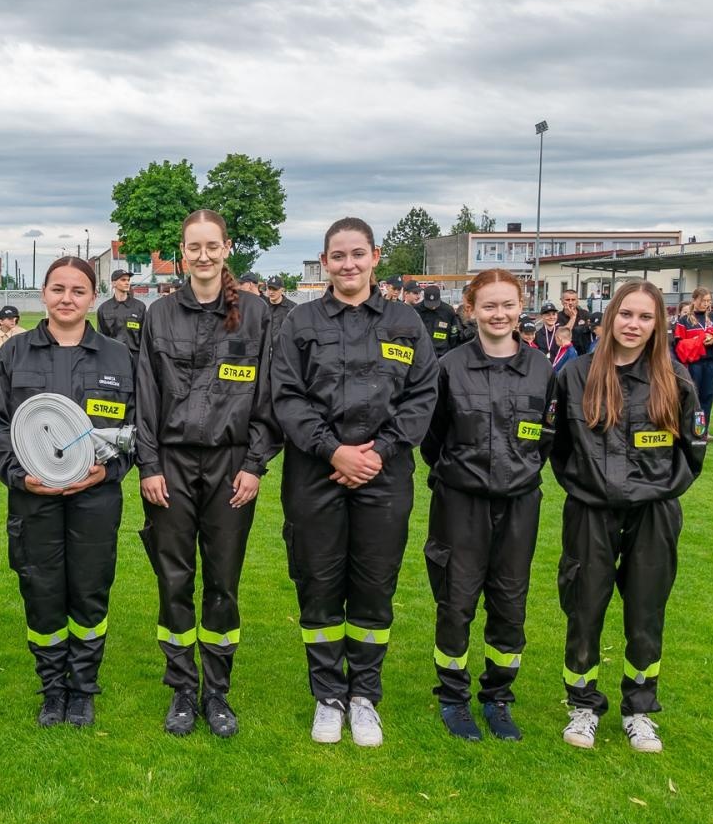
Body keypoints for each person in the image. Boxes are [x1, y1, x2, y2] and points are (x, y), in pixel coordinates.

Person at [272, 218, 439, 747]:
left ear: (375, 257)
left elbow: (421, 398)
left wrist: (378, 453)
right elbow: (287, 396)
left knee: (373, 584)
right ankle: (328, 695)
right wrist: (333, 450)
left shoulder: (406, 323)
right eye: (338, 256)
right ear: (325, 261)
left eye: (357, 254)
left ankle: (364, 694)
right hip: (314, 471)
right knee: (318, 582)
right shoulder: (299, 323)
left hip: (383, 476)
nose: (348, 264)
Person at [136, 210, 278, 739]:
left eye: (211, 246)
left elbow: (269, 395)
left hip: (230, 467)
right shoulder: (159, 314)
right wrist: (148, 465)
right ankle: (180, 690)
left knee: (223, 582)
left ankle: (217, 693)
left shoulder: (258, 315)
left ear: (227, 248)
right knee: (174, 581)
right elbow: (145, 395)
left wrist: (254, 464)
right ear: (181, 251)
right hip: (169, 467)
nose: (202, 255)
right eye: (193, 247)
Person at [550, 280, 706, 753]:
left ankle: (640, 710)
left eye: (644, 317)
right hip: (591, 512)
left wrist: (649, 491)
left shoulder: (674, 378)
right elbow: (557, 449)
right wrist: (590, 487)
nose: (633, 325)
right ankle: (582, 705)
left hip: (654, 514)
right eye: (625, 314)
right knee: (585, 607)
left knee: (645, 612)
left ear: (657, 324)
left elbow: (692, 451)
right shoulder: (574, 376)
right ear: (609, 317)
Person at [0, 257, 134, 728]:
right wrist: (17, 476)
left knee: (89, 592)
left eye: (79, 290)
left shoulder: (118, 355)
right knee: (42, 591)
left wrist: (107, 475)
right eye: (59, 289)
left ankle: (83, 690)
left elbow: (135, 430)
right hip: (34, 498)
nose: (68, 298)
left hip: (95, 498)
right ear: (44, 293)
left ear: (93, 297)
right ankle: (52, 689)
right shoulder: (14, 354)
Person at [420, 268, 553, 742]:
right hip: (460, 503)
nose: (499, 314)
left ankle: (498, 697)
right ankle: (453, 697)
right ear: (470, 310)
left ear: (521, 307)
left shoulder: (541, 368)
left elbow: (547, 436)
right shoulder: (449, 367)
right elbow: (432, 440)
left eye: (508, 305)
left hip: (519, 504)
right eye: (489, 306)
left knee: (510, 604)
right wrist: (463, 474)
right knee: (455, 602)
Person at [672, 288, 713, 431]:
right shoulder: (684, 320)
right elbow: (680, 345)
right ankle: (690, 429)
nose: (706, 304)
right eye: (703, 301)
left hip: (711, 362)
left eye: (709, 301)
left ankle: (702, 430)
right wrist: (699, 341)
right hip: (694, 363)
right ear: (694, 300)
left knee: (708, 396)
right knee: (694, 396)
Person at [96, 269, 145, 356]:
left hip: (136, 357)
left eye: (128, 280)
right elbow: (100, 338)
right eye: (123, 280)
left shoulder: (140, 307)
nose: (127, 283)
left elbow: (145, 337)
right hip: (112, 357)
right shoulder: (104, 308)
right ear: (114, 283)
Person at [413, 284, 460, 357]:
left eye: (435, 304)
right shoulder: (416, 310)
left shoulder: (448, 311)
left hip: (442, 353)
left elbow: (454, 332)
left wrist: (451, 351)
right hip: (421, 353)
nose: (433, 307)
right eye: (430, 304)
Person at [264, 276, 297, 343]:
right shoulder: (262, 306)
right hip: (265, 349)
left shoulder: (293, 308)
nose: (271, 292)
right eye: (269, 289)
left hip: (283, 349)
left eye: (274, 289)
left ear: (282, 290)